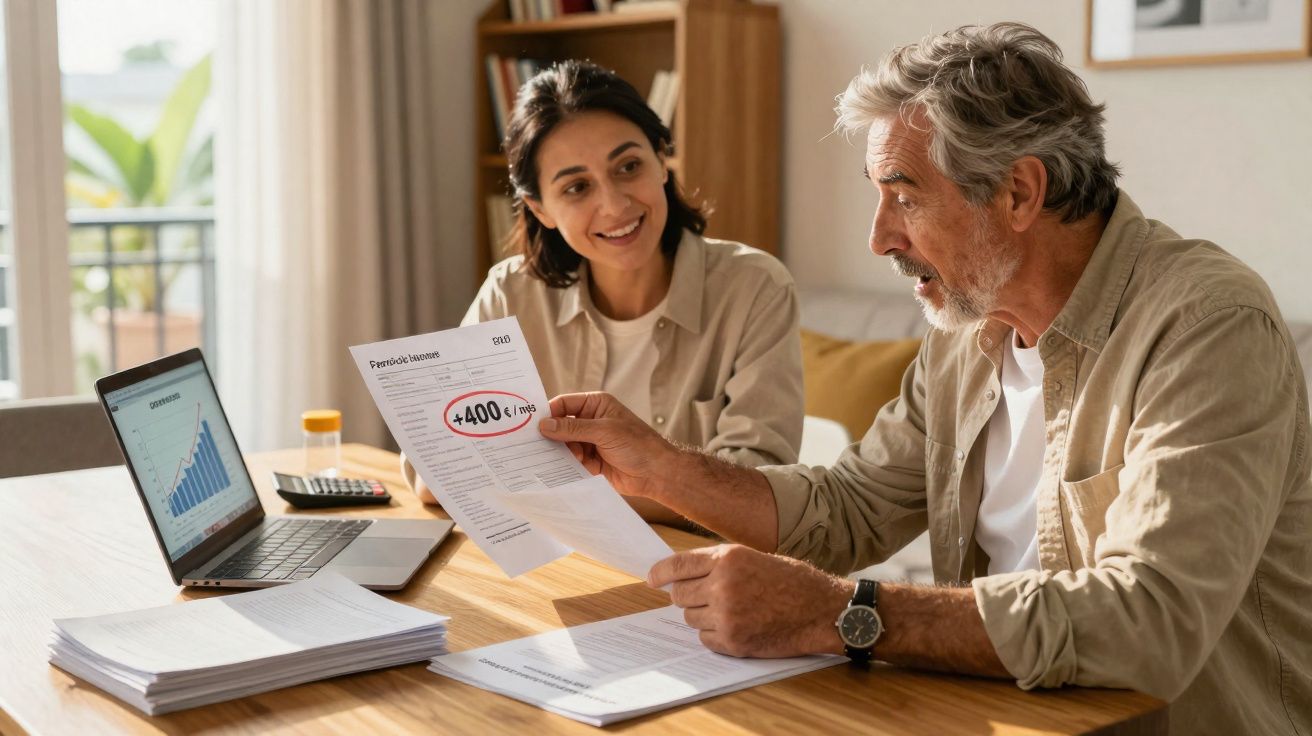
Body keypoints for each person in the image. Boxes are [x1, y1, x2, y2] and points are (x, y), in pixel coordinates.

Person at [537, 23, 1311, 735]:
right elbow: (845, 512)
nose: (879, 237)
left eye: (903, 196)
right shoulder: (967, 328)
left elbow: (1150, 623)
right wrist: (662, 467)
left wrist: (844, 613)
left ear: (1018, 192)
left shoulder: (1207, 325)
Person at [404, 60, 803, 525]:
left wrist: (542, 486)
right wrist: (674, 490)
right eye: (576, 187)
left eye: (629, 166)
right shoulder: (511, 292)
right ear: (540, 208)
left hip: (697, 574)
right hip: (556, 570)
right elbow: (432, 473)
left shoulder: (755, 288)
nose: (614, 206)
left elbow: (756, 493)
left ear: (662, 161)